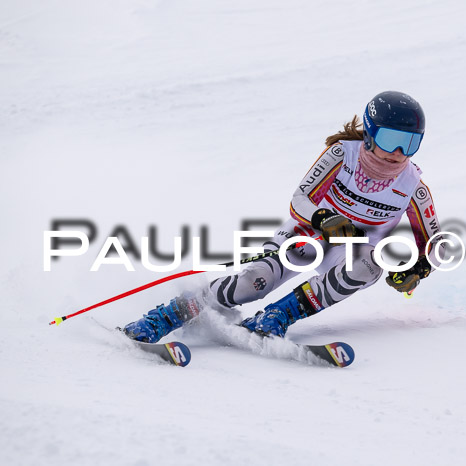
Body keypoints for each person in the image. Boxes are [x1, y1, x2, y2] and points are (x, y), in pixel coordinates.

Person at [123, 91, 444, 343]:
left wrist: (419, 268)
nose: (399, 153)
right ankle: (169, 315)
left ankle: (276, 317)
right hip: (310, 233)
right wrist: (323, 218)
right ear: (371, 134)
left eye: (410, 143)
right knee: (252, 283)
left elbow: (436, 245)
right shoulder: (342, 154)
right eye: (391, 139)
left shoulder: (412, 186)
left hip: (354, 250)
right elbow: (299, 200)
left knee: (367, 266)